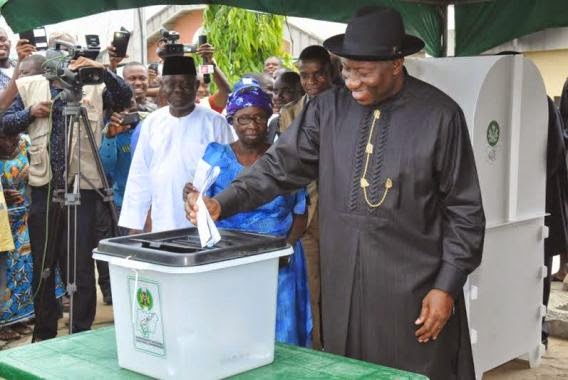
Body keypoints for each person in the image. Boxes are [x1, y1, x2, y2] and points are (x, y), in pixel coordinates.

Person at [186, 7, 485, 379]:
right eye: (346, 69)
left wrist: (447, 286)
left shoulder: (440, 115)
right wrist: (222, 202)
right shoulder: (327, 110)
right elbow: (279, 167)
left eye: (363, 72)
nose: (352, 80)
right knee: (349, 370)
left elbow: (465, 211)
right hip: (343, 288)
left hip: (412, 291)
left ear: (396, 64)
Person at [0, 40, 133, 341]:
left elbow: (125, 98)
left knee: (81, 266)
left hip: (84, 187)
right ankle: (44, 335)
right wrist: (30, 113)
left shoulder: (94, 85)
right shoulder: (33, 86)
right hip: (44, 187)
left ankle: (80, 334)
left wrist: (102, 70)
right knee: (43, 265)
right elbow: (4, 123)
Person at [184, 85, 312, 346]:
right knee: (232, 333)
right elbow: (195, 194)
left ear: (268, 119)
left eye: (259, 117)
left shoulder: (283, 158)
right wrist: (189, 198)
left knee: (281, 334)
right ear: (231, 120)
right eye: (243, 118)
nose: (252, 125)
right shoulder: (215, 155)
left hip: (280, 262)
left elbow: (300, 212)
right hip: (229, 260)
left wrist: (283, 252)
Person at [119, 56, 234, 233]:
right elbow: (140, 174)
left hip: (207, 220)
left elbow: (231, 170)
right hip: (162, 219)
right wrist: (137, 223)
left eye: (185, 84)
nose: (178, 89)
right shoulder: (152, 122)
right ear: (162, 87)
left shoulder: (215, 122)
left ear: (196, 86)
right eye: (171, 84)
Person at [0, 131, 66, 340]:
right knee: (7, 271)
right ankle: (5, 322)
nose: (9, 141)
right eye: (3, 137)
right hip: (5, 219)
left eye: (12, 136)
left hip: (28, 215)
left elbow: (43, 173)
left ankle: (23, 317)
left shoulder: (27, 143)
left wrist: (32, 180)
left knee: (27, 268)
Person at [267, 71, 304, 144]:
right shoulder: (274, 123)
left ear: (301, 92)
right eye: (275, 91)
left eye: (287, 91)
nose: (278, 96)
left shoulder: (310, 120)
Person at [194, 42, 231, 113]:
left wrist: (212, 64)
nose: (201, 90)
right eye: (196, 85)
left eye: (205, 86)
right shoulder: (177, 105)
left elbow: (225, 90)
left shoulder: (208, 104)